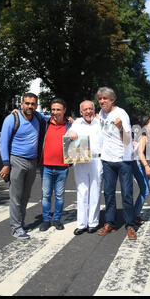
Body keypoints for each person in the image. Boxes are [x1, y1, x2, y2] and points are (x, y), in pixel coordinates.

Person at [0, 93, 46, 239]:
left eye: (32, 104)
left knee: (25, 196)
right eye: (27, 103)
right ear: (21, 104)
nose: (30, 106)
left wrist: (71, 121)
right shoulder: (12, 119)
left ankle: (20, 221)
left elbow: (55, 120)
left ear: (36, 105)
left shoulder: (39, 118)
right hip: (16, 161)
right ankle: (16, 228)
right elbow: (3, 143)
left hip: (32, 162)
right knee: (16, 196)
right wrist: (6, 164)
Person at [96, 87, 137, 240]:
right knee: (108, 193)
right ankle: (110, 223)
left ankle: (130, 225)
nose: (101, 101)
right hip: (107, 159)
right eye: (100, 99)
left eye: (105, 99)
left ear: (112, 100)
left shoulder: (121, 114)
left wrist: (120, 128)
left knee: (127, 194)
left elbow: (128, 140)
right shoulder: (100, 114)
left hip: (122, 160)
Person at [68, 100, 103, 235]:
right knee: (82, 191)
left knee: (95, 191)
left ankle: (93, 223)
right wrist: (70, 132)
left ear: (94, 110)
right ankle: (81, 224)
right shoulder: (77, 123)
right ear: (81, 112)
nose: (88, 111)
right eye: (85, 109)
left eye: (90, 109)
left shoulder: (100, 122)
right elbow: (69, 136)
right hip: (81, 160)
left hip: (97, 160)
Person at [38, 98, 72, 232]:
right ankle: (46, 220)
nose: (55, 112)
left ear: (64, 111)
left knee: (59, 195)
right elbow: (32, 113)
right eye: (53, 109)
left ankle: (56, 219)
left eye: (58, 109)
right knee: (46, 195)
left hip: (62, 167)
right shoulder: (45, 123)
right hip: (46, 166)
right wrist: (16, 112)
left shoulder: (70, 125)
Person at [132, 116, 150, 225]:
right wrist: (146, 166)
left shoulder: (148, 136)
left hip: (146, 166)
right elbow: (140, 153)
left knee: (145, 191)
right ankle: (134, 215)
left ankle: (134, 214)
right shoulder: (144, 136)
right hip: (141, 166)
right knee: (145, 191)